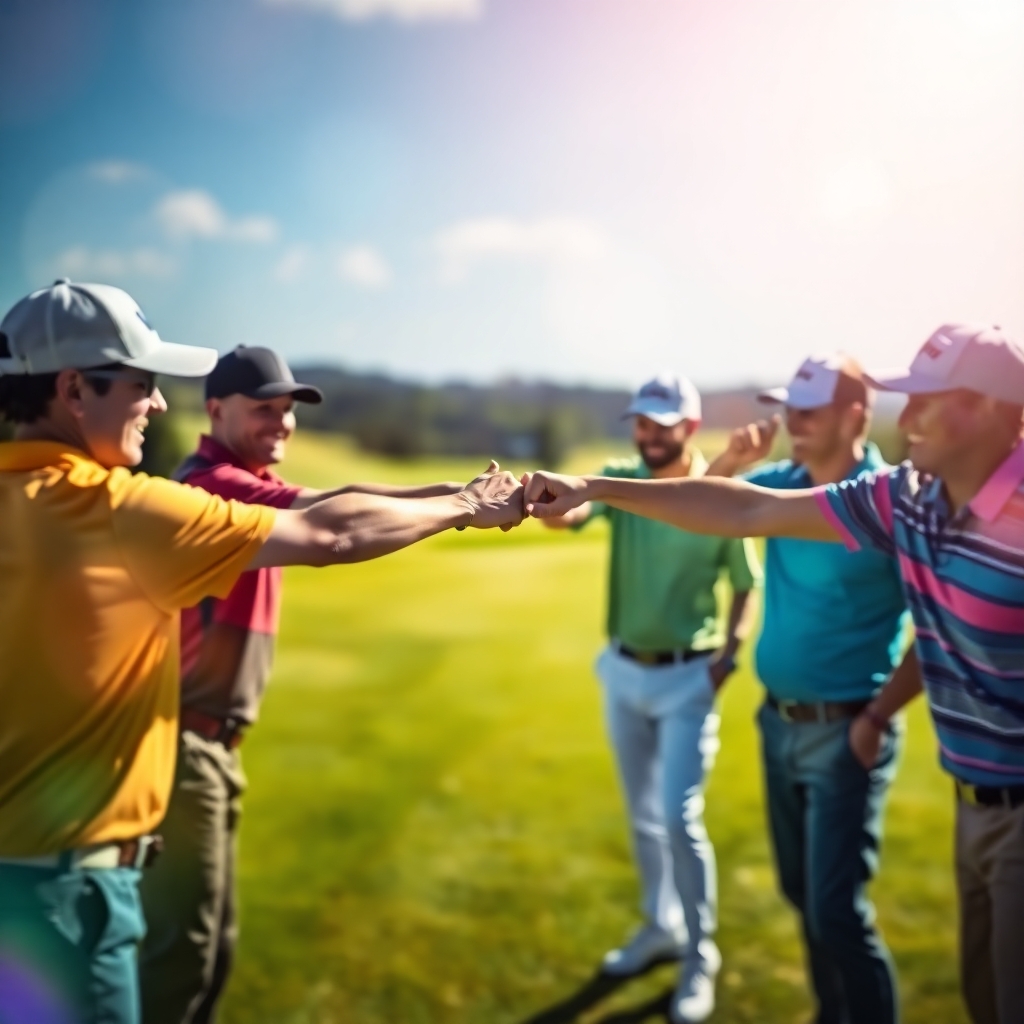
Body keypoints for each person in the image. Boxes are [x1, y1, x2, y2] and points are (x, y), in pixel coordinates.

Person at [0, 280, 523, 1024]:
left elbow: (326, 504)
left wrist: (459, 495)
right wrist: (468, 505)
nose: (155, 405)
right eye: (143, 386)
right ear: (75, 389)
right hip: (71, 895)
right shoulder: (120, 511)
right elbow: (331, 532)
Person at [524, 324, 1024, 1024]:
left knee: (844, 915)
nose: (905, 419)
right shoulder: (907, 498)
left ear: (992, 409)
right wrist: (591, 487)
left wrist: (875, 715)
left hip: (915, 758)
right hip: (965, 795)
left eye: (926, 401)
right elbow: (743, 506)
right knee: (973, 991)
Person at [138, 345, 468, 1024]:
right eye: (265, 409)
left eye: (287, 411)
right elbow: (333, 513)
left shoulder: (241, 480)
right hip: (182, 748)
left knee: (213, 949)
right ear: (217, 408)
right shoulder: (211, 485)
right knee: (182, 956)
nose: (282, 423)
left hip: (212, 748)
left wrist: (460, 495)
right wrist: (462, 501)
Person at [539, 373, 761, 1024]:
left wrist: (729, 656)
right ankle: (658, 927)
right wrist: (546, 500)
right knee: (642, 816)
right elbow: (571, 515)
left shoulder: (720, 495)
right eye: (642, 423)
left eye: (662, 426)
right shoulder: (620, 475)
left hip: (689, 679)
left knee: (678, 817)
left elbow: (744, 582)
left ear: (689, 429)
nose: (648, 436)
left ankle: (700, 955)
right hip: (623, 670)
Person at [708, 354, 911, 1024]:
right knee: (803, 895)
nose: (792, 422)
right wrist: (729, 465)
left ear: (856, 414)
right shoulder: (781, 483)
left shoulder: (890, 500)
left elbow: (935, 628)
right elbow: (709, 508)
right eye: (788, 407)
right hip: (779, 725)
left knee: (835, 910)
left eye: (809, 410)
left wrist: (878, 716)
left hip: (849, 730)